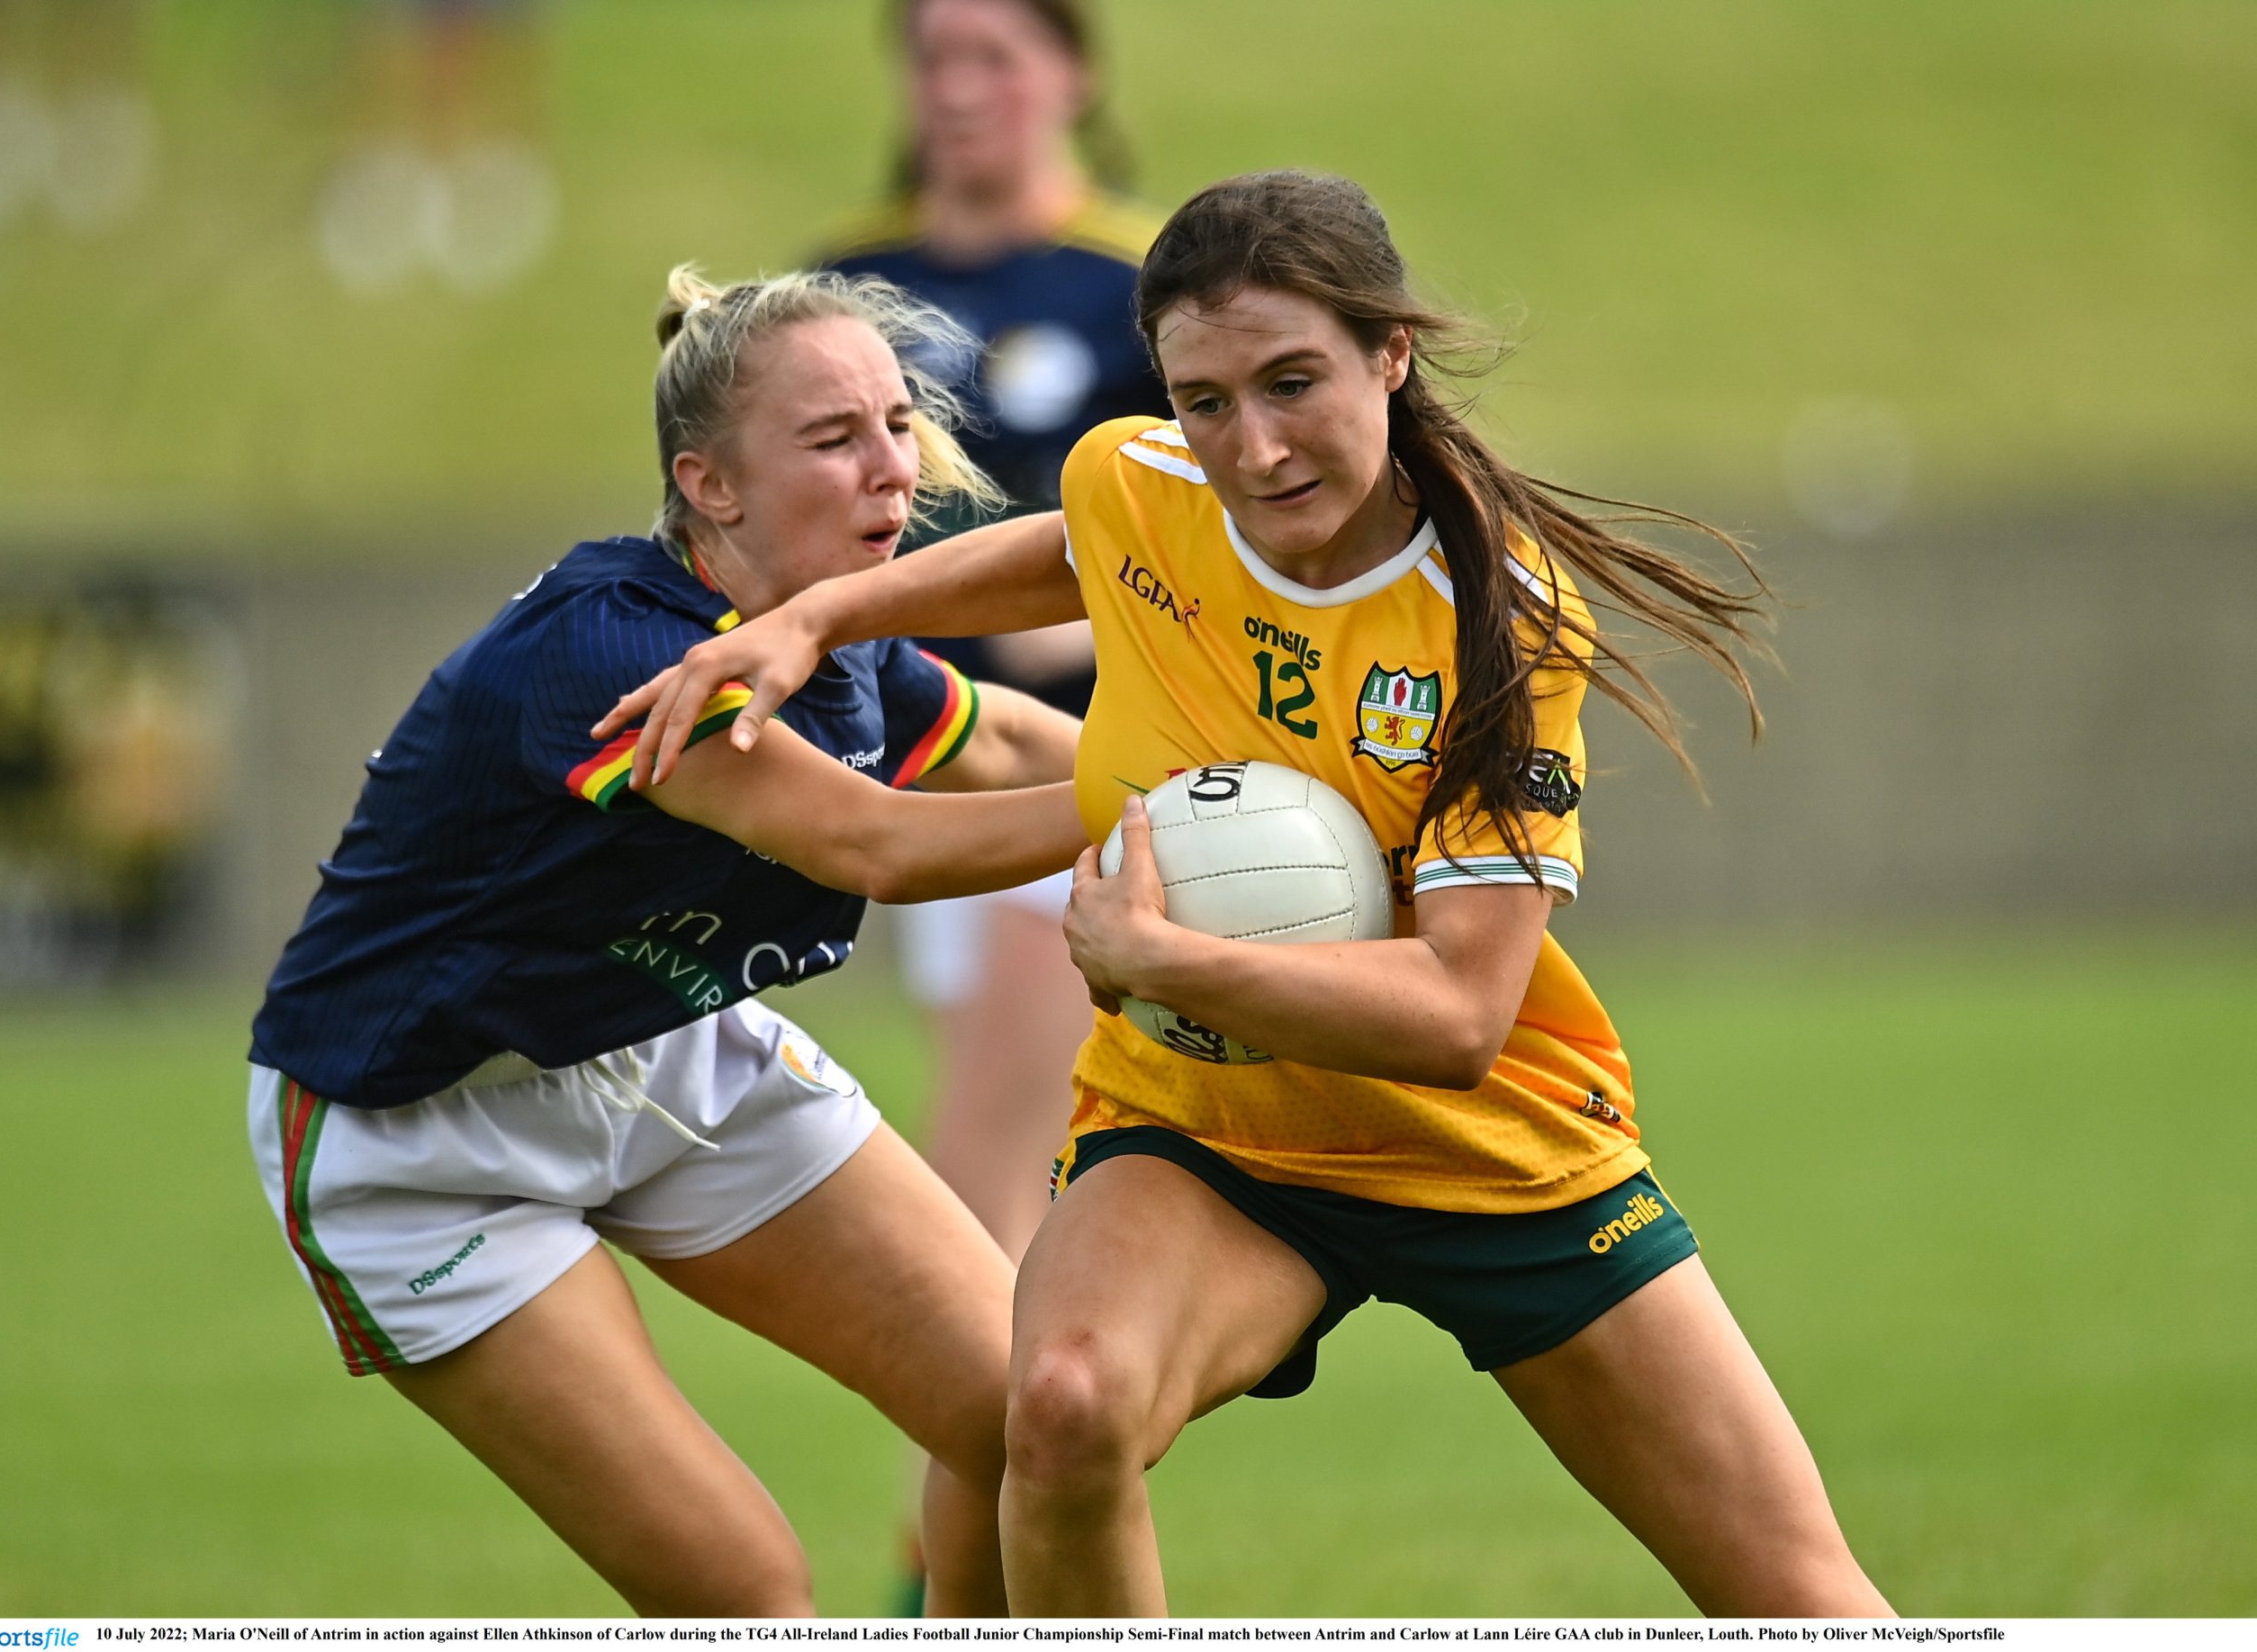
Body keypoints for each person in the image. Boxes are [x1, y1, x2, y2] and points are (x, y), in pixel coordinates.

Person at [600, 171, 1896, 1620]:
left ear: (1389, 355)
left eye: (1293, 384)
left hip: (1487, 1146)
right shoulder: (1144, 484)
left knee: (1794, 1593)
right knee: (1065, 1405)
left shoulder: (1498, 622)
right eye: (1203, 400)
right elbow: (1075, 547)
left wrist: (1162, 956)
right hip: (1205, 1127)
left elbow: (1464, 1012)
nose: (1255, 447)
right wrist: (813, 616)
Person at [246, 266, 1088, 1616]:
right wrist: (1177, 804)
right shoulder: (606, 655)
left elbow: (996, 739)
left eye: (894, 423)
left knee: (1020, 1416)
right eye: (835, 438)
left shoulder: (834, 626)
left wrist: (1222, 760)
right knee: (749, 1596)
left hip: (670, 1049)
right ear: (711, 487)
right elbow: (878, 844)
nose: (894, 470)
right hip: (427, 1146)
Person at [817, 0, 1162, 1269]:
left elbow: (1230, 517)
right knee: (1015, 1186)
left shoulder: (1140, 283)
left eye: (995, 56)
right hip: (906, 765)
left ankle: (1009, 1441)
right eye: (932, 56)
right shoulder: (846, 288)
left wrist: (1085, 622)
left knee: (979, 1175)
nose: (960, 87)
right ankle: (1057, 1445)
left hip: (1076, 765)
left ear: (1072, 72)